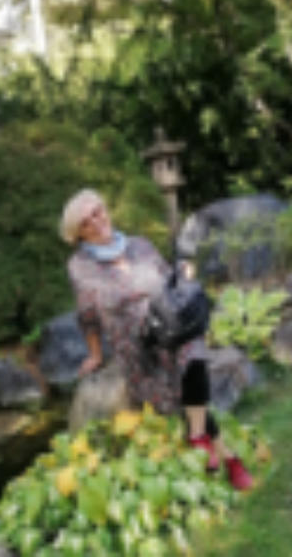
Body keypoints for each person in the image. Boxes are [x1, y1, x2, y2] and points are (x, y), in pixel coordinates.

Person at [60, 188, 253, 490]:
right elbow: (88, 316)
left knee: (192, 351)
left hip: (168, 326)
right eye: (86, 222)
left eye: (98, 212)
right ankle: (228, 457)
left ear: (105, 210)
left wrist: (183, 273)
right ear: (78, 233)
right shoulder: (80, 266)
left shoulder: (140, 245)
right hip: (136, 345)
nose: (96, 222)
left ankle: (198, 438)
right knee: (186, 382)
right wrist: (95, 355)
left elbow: (168, 279)